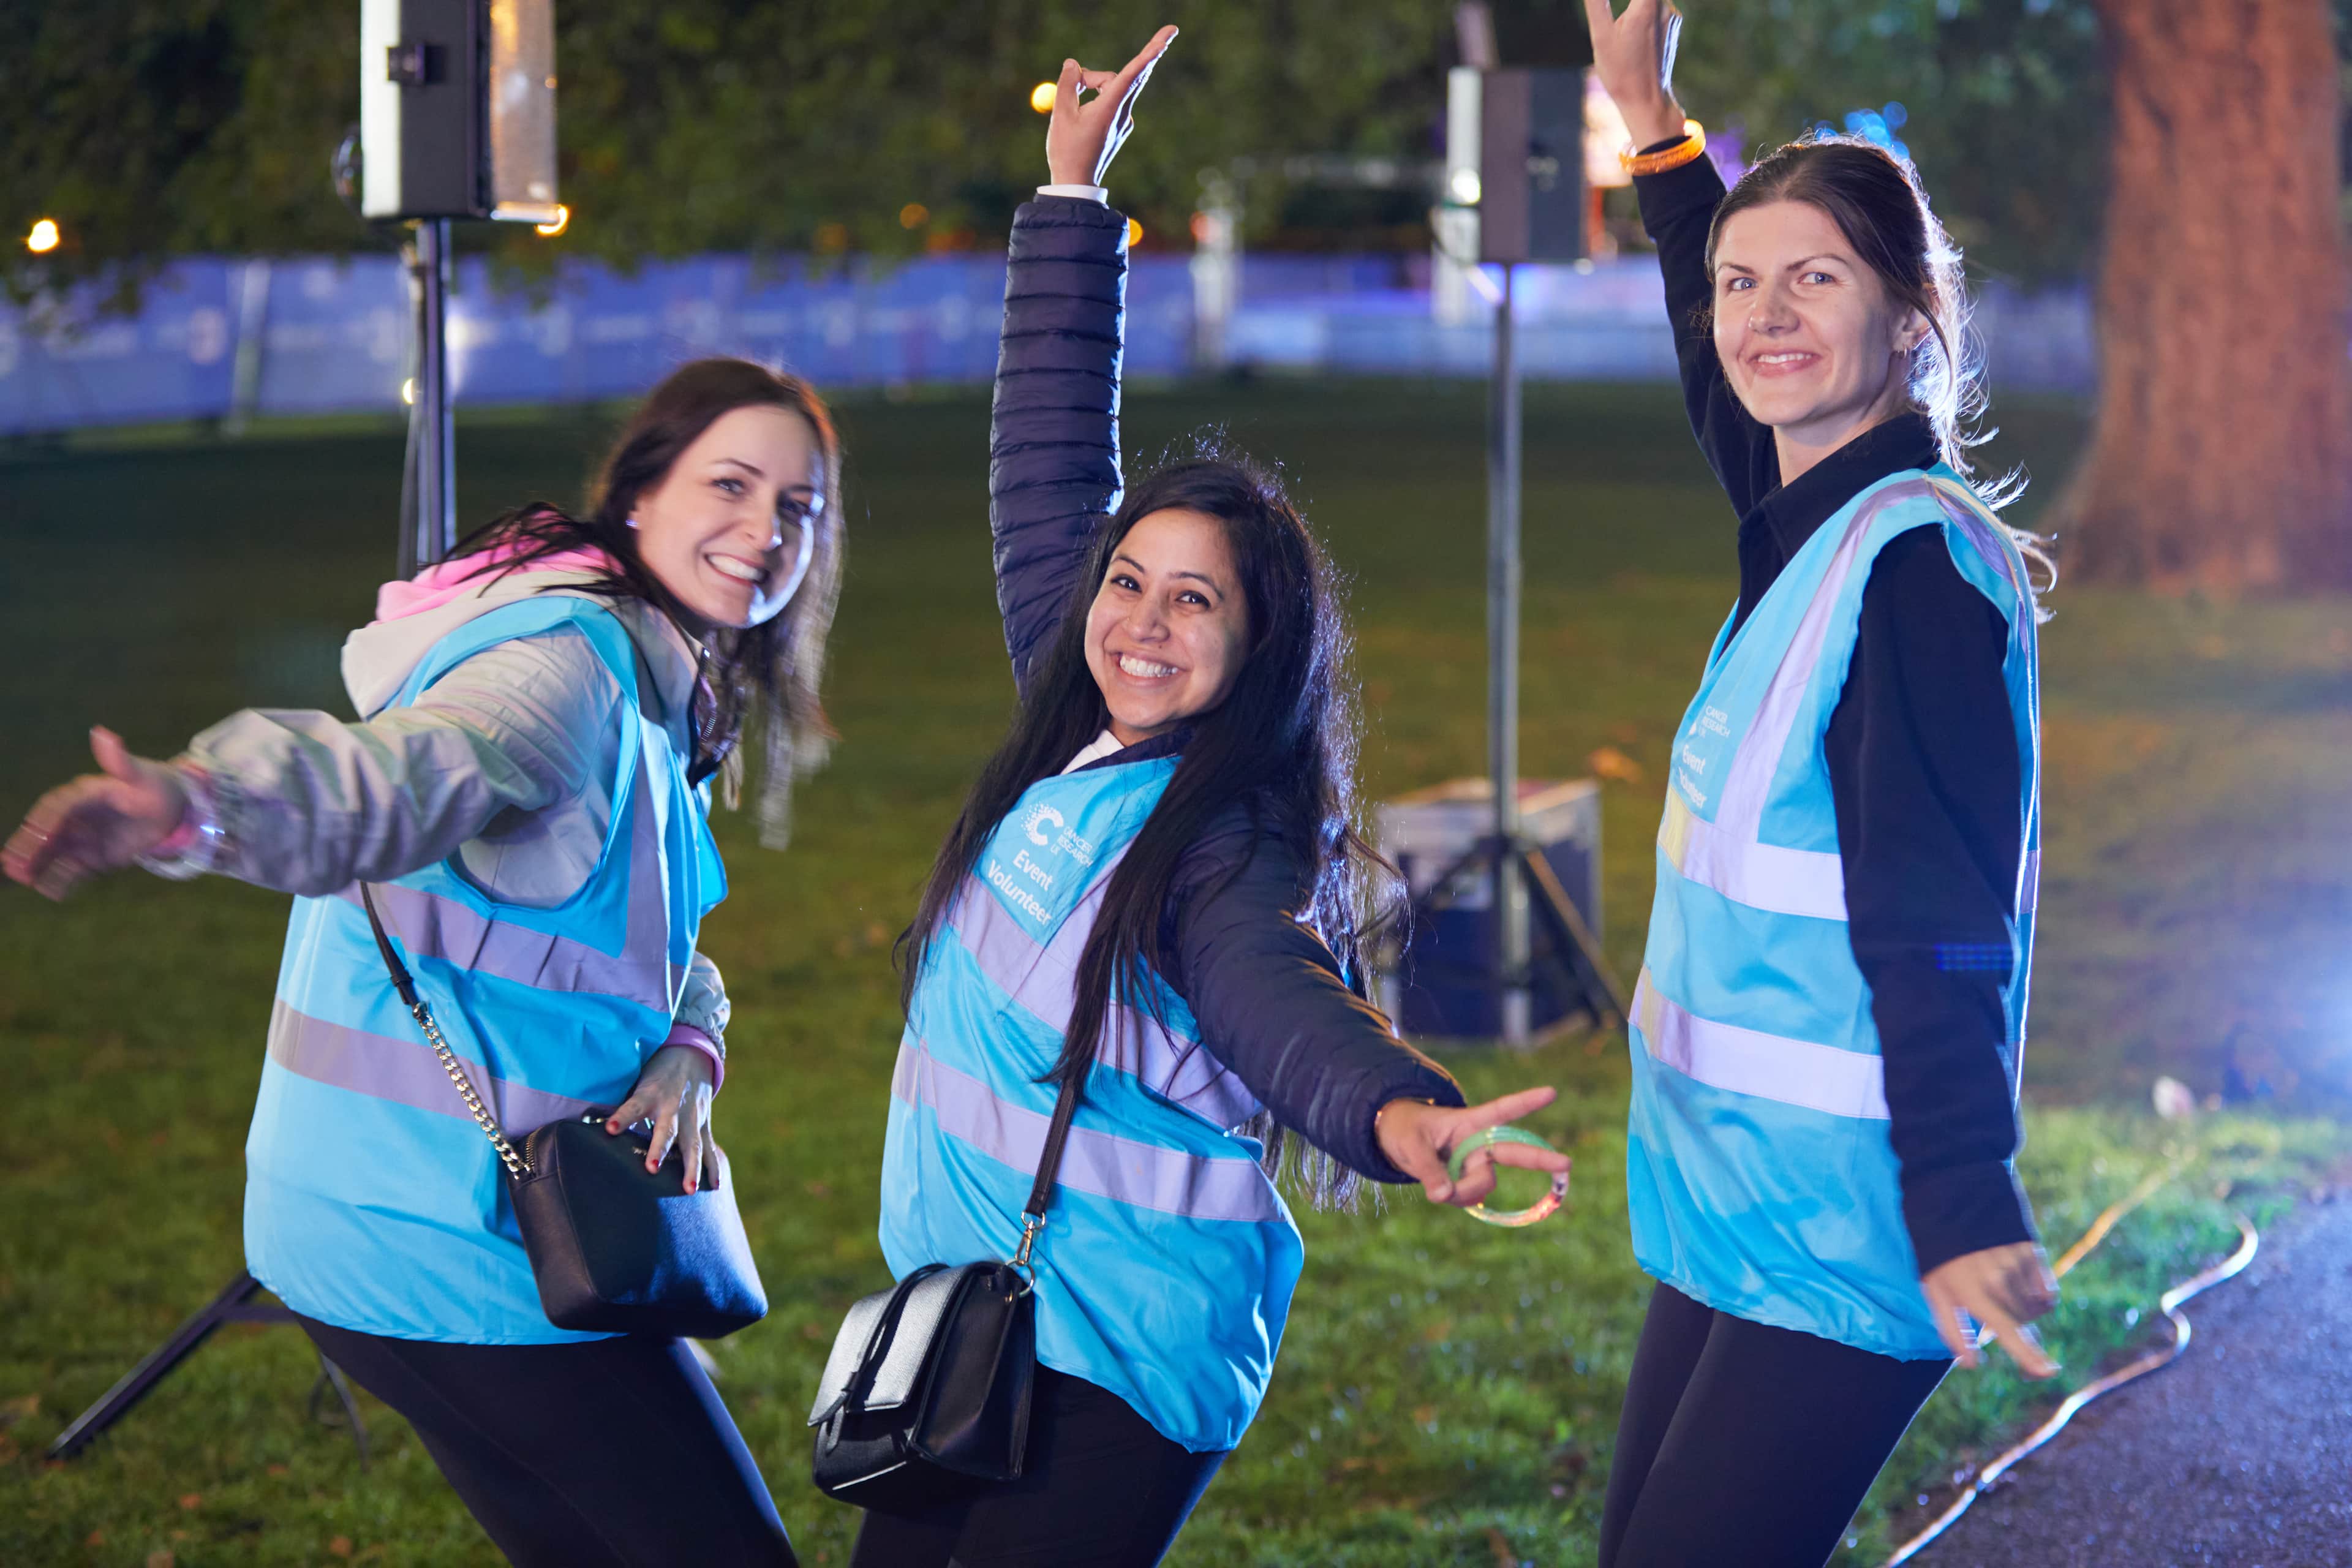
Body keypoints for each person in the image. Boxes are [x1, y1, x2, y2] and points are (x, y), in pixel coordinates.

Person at [848, 26, 1573, 1568]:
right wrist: (1069, 197)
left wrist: (1398, 1114)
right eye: (1129, 582)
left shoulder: (1231, 832)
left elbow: (1268, 992)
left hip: (1115, 1355)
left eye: (1198, 603)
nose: (1144, 623)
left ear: (1257, 652)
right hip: (976, 1317)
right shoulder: (1081, 723)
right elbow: (1046, 460)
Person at [2, 356, 845, 1567]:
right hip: (454, 1243)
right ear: (641, 491)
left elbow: (640, 943)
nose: (765, 530)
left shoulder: (651, 676)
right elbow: (397, 780)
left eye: (798, 508)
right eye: (731, 482)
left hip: (379, 1226)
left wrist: (688, 1047)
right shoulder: (564, 670)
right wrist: (195, 806)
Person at [1579, 3, 2062, 1565]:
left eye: (1817, 279)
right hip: (1745, 1203)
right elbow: (1727, 373)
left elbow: (1943, 920)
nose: (1764, 315)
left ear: (1910, 318)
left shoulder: (1914, 573)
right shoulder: (1812, 515)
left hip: (1857, 1223)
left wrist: (1967, 1198)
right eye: (1743, 280)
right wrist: (1653, 126)